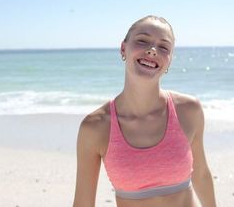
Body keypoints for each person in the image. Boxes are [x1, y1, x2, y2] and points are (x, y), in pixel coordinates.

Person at [73, 15, 217, 207]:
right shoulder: (96, 127)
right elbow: (83, 203)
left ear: (169, 61)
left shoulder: (189, 110)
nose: (152, 50)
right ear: (123, 48)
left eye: (163, 47)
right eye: (142, 41)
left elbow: (201, 174)